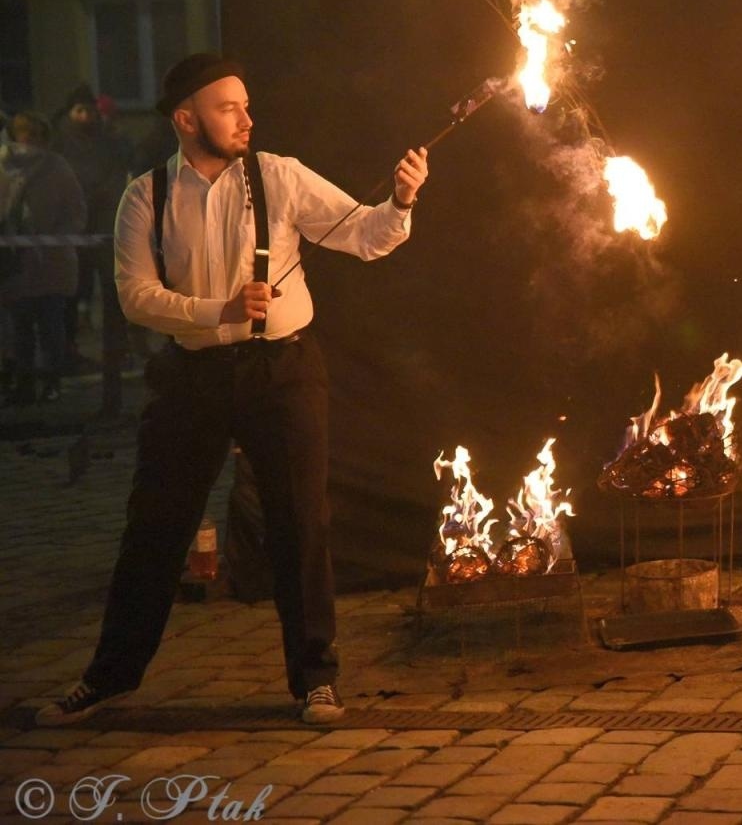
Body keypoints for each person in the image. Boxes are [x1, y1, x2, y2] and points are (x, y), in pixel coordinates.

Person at [36, 53, 429, 726]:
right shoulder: (145, 196)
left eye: (247, 105)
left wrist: (399, 200)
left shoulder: (279, 177)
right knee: (154, 528)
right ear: (188, 119)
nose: (247, 118)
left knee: (301, 523)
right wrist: (217, 310)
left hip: (283, 371)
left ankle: (315, 680)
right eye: (229, 108)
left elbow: (364, 236)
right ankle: (108, 677)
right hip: (193, 377)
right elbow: (135, 297)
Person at [2, 111, 87, 404]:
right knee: (20, 328)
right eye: (23, 132)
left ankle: (52, 381)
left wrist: (55, 239)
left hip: (51, 262)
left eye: (35, 133)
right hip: (14, 263)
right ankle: (24, 383)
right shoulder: (4, 166)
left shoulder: (57, 168)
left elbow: (76, 211)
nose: (29, 139)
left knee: (51, 325)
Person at [52, 85, 132, 368]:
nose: (85, 116)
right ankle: (69, 350)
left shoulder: (107, 141)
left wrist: (105, 200)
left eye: (89, 110)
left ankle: (117, 351)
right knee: (72, 291)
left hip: (104, 225)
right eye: (80, 110)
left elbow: (117, 173)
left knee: (112, 290)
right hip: (72, 228)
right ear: (71, 113)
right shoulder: (59, 142)